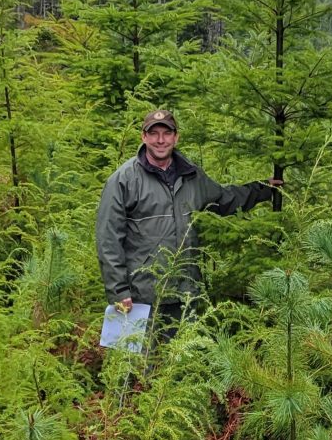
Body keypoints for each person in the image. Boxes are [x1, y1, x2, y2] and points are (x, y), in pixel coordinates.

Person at [95, 109, 281, 343]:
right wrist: (119, 291)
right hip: (139, 296)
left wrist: (263, 188)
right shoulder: (123, 180)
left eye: (166, 133)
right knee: (131, 369)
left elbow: (223, 199)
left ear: (176, 137)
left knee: (182, 366)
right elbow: (107, 239)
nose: (160, 140)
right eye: (154, 134)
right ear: (143, 137)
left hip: (185, 292)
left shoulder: (192, 176)